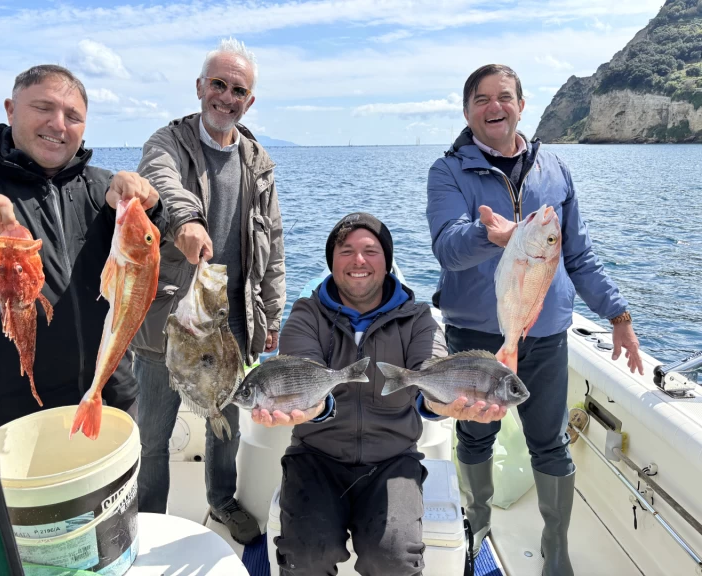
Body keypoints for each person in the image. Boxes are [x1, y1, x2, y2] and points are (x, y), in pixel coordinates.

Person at [427, 63, 644, 575]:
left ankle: (556, 549)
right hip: (476, 334)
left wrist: (618, 314)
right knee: (474, 435)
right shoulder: (449, 171)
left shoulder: (556, 170)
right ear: (467, 111)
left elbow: (579, 256)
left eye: (504, 97)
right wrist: (489, 236)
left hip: (544, 333)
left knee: (550, 440)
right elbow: (447, 248)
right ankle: (475, 528)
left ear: (522, 106)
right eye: (481, 99)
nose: (494, 107)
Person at [254, 212, 505, 576]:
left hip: (393, 458)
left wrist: (445, 403)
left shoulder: (418, 318)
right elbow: (302, 370)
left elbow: (432, 367)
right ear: (331, 262)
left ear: (387, 261)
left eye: (371, 251)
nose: (358, 260)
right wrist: (313, 407)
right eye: (346, 251)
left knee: (393, 557)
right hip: (316, 455)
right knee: (306, 554)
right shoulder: (306, 314)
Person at [0, 64, 166, 431]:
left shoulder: (104, 188)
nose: (59, 124)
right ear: (11, 110)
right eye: (43, 108)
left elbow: (153, 244)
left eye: (73, 116)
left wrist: (149, 206)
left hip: (113, 396)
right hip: (14, 415)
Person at [132, 37, 285, 544]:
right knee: (153, 434)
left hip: (234, 320)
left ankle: (222, 501)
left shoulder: (258, 161)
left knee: (227, 426)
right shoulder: (168, 142)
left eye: (238, 90)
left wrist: (271, 315)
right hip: (168, 323)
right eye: (218, 84)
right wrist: (186, 221)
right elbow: (160, 180)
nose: (226, 96)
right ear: (200, 87)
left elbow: (273, 243)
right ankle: (148, 521)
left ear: (249, 101)